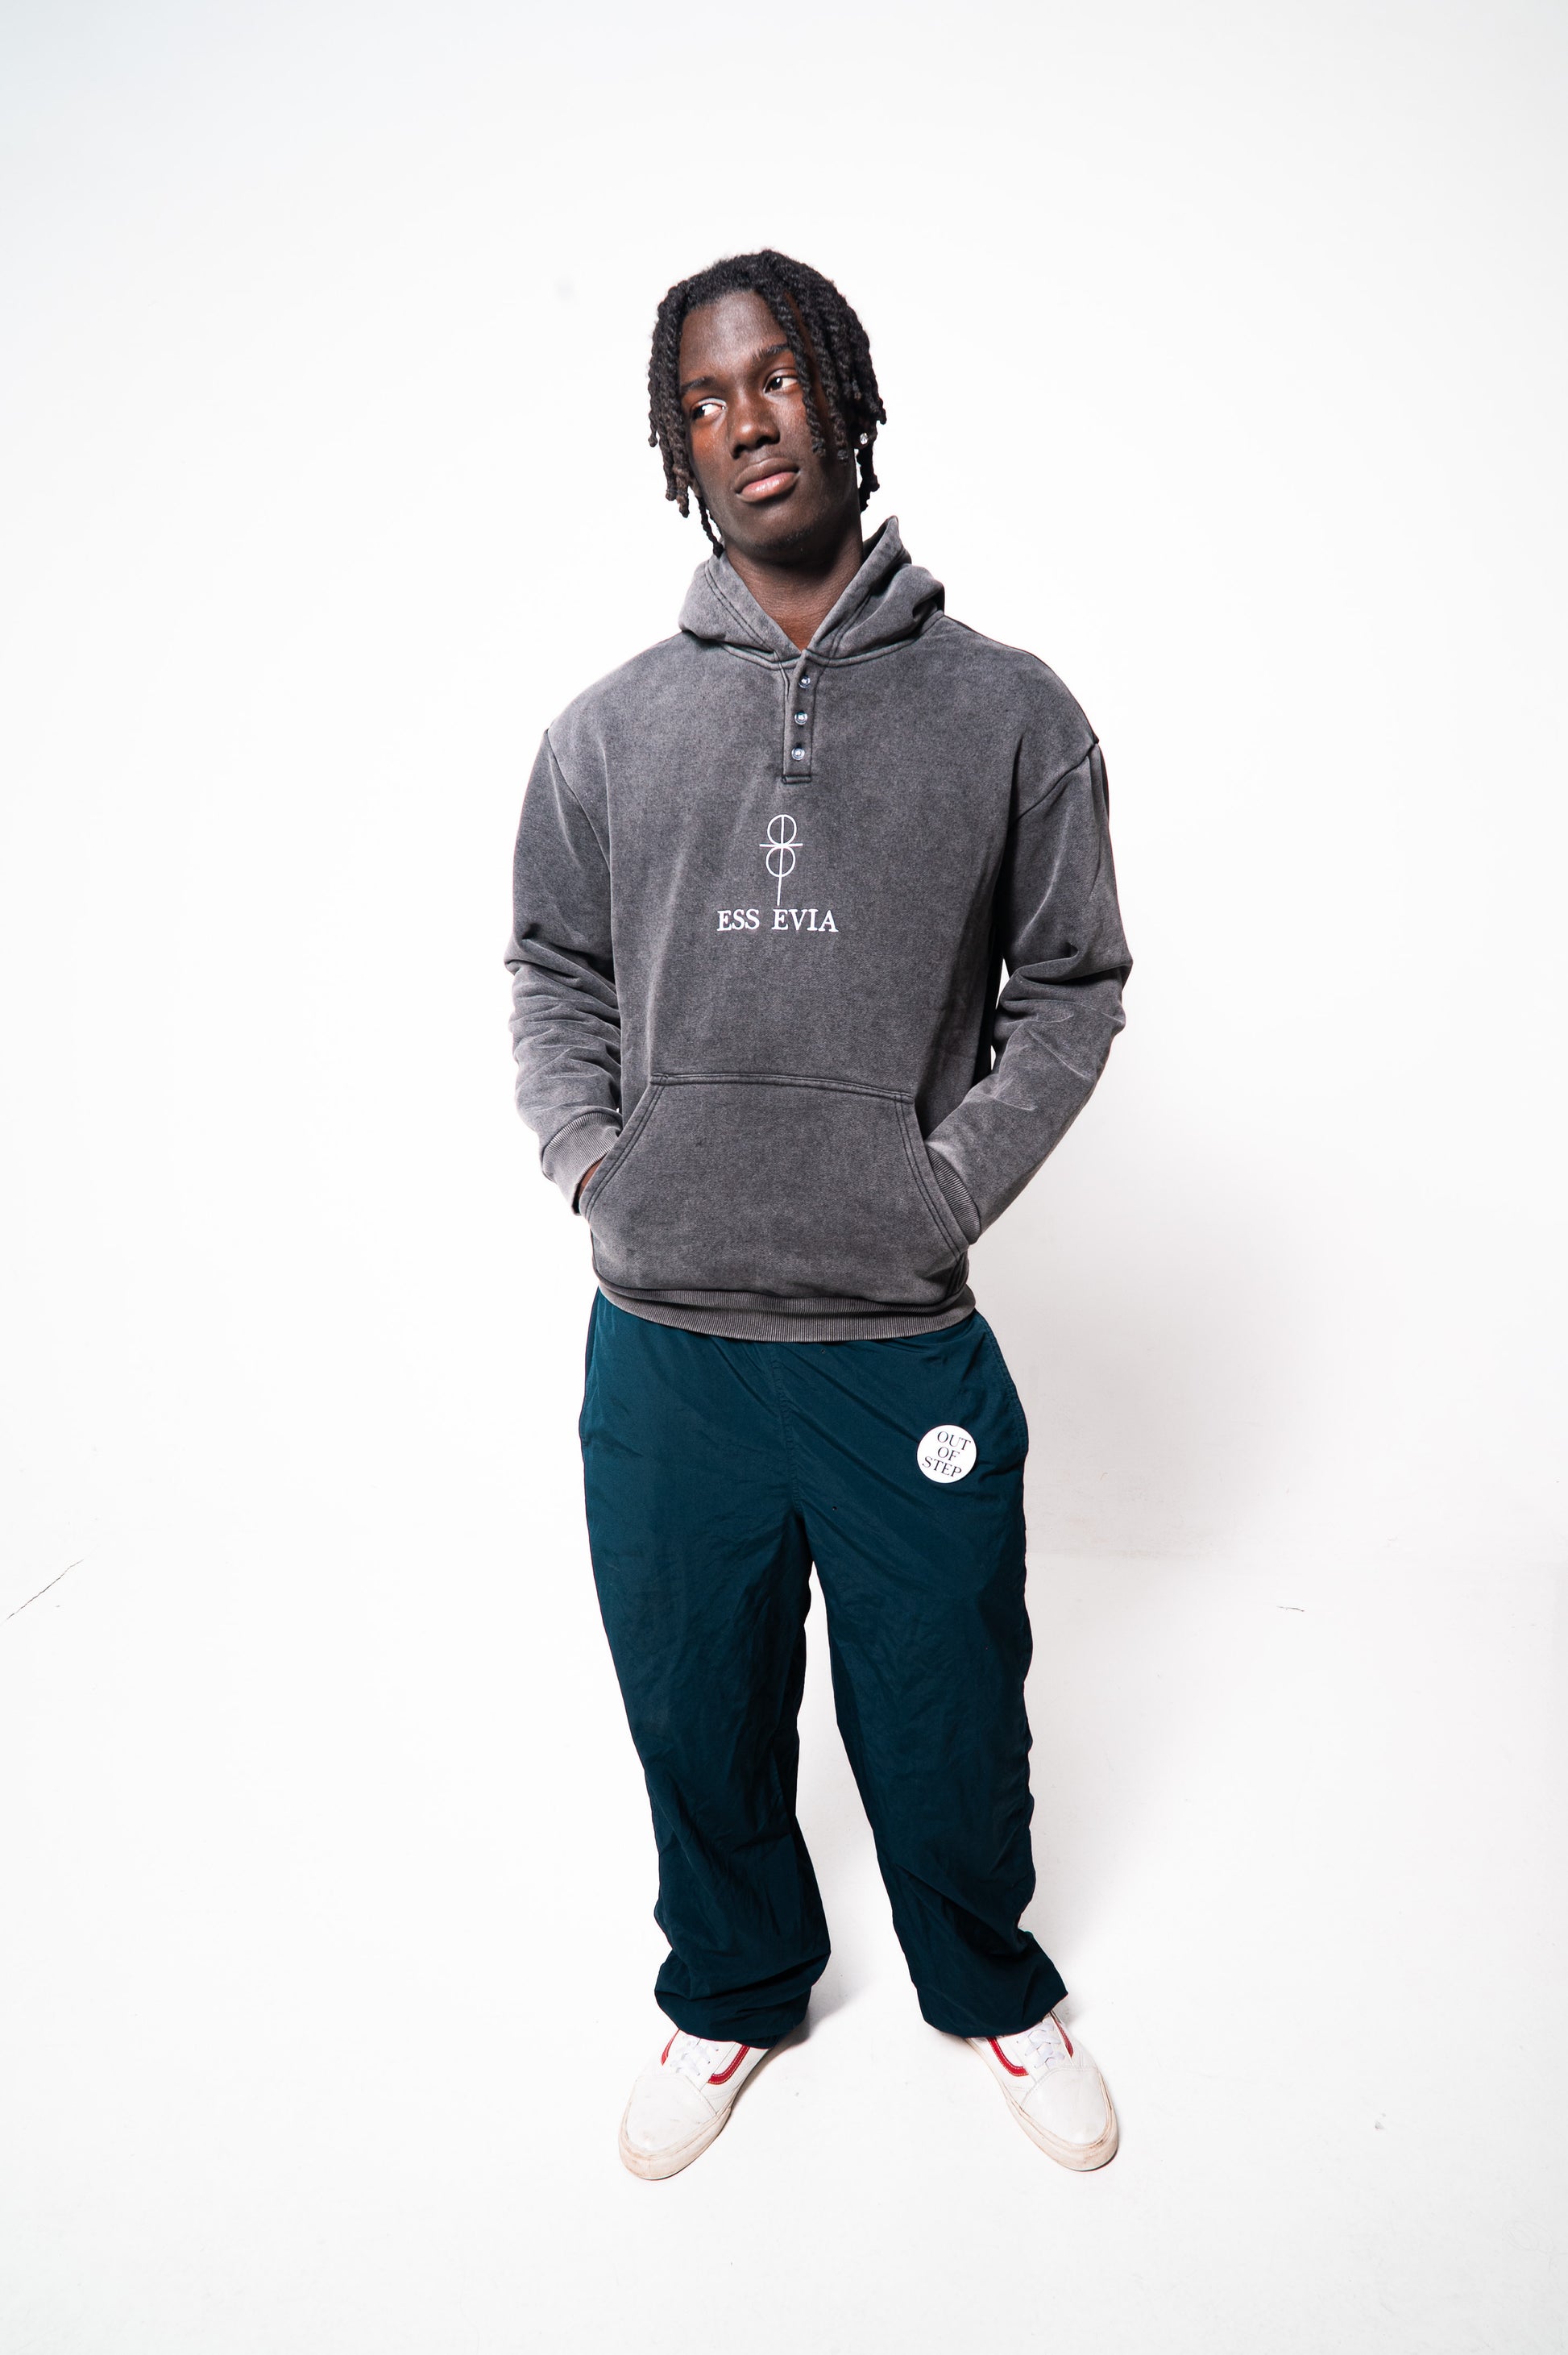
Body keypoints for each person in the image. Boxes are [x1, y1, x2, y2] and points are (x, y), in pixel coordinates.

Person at [505, 250, 1132, 2180]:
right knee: (694, 1706)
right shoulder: (608, 730)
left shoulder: (1008, 712)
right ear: (673, 447)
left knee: (947, 1707)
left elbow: (1072, 986)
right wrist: (597, 1161)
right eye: (701, 399)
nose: (744, 420)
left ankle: (990, 1986)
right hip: (668, 1340)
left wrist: (941, 1185)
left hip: (893, 1334)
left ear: (843, 395)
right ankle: (731, 1990)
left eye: (775, 377)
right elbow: (553, 969)